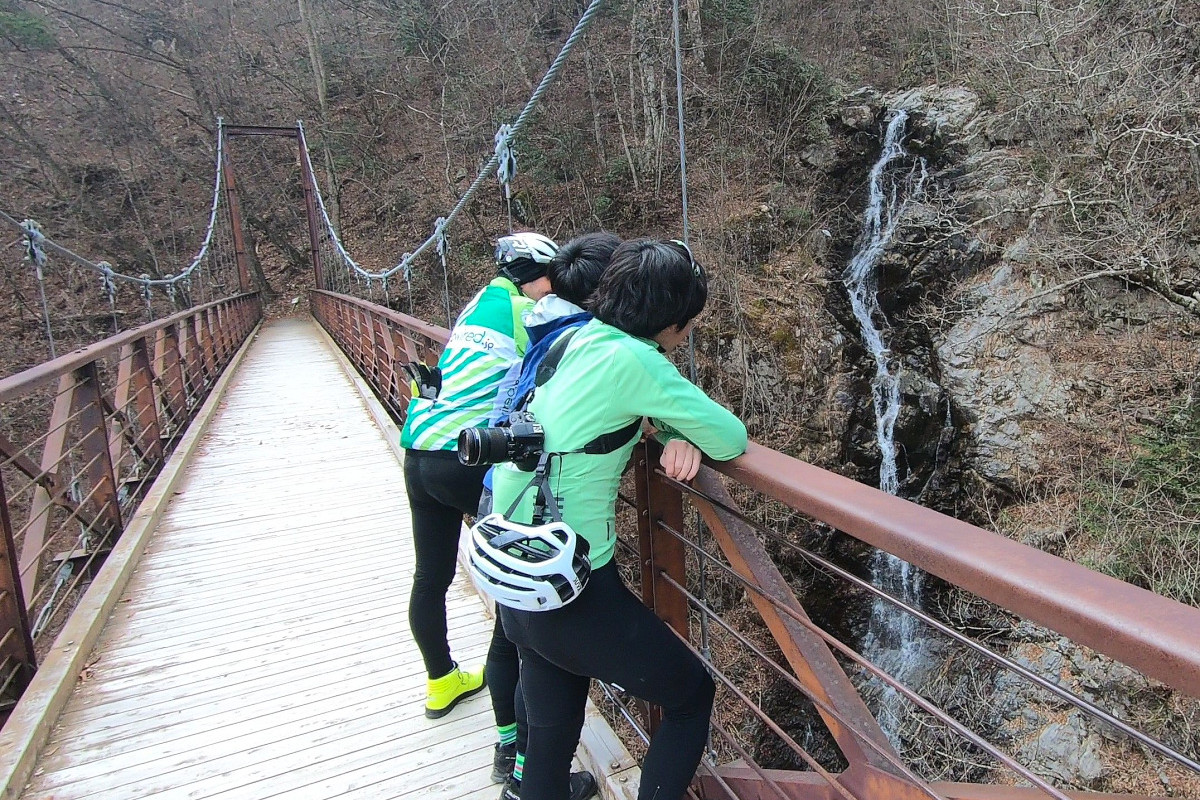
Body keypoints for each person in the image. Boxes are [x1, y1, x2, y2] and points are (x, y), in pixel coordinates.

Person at [489, 239, 748, 800]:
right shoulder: (637, 359)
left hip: (516, 573)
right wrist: (682, 433)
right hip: (571, 586)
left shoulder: (581, 338)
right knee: (690, 696)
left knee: (554, 727)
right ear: (673, 320)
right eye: (688, 325)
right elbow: (729, 437)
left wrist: (671, 431)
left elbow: (605, 419)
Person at [485, 232, 621, 800]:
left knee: (522, 644)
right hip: (545, 522)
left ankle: (517, 768)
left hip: (503, 500)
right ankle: (524, 773)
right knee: (534, 648)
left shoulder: (543, 327)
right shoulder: (588, 342)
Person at [400, 231, 557, 720]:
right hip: (464, 453)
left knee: (431, 575)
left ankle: (441, 681)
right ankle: (511, 728)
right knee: (515, 569)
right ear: (537, 274)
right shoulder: (528, 311)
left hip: (419, 445)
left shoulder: (475, 304)